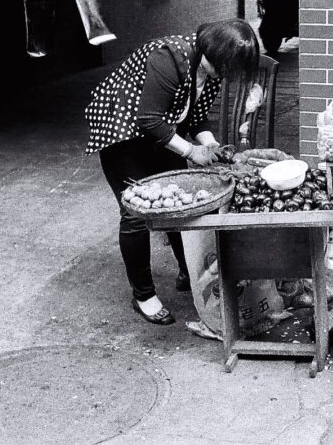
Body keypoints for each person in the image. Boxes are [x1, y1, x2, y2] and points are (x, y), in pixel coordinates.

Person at [85, 19, 260, 325]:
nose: (230, 76)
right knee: (136, 213)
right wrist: (192, 152)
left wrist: (213, 147)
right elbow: (150, 120)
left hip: (163, 134)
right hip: (123, 136)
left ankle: (187, 271)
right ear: (219, 57)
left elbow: (196, 117)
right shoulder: (169, 57)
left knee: (183, 204)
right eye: (231, 69)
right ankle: (143, 295)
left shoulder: (211, 70)